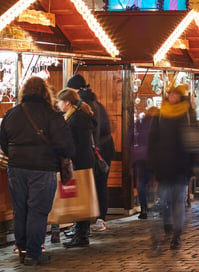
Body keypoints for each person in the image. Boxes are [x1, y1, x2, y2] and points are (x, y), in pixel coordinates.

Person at [0, 76, 75, 265]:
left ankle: (23, 250)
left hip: (16, 168)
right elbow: (65, 145)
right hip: (43, 169)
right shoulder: (52, 115)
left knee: (20, 210)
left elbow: (3, 141)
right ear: (45, 92)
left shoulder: (12, 113)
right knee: (38, 211)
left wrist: (15, 155)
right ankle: (34, 253)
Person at [147, 84, 198, 254]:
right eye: (170, 94)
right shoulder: (160, 114)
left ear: (182, 97)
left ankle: (177, 234)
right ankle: (168, 226)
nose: (172, 97)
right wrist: (152, 165)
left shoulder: (189, 115)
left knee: (177, 202)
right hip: (163, 166)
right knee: (164, 201)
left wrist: (192, 167)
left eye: (176, 94)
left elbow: (194, 143)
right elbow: (152, 142)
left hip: (181, 166)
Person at [67, 74, 114, 232]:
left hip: (95, 151)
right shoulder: (96, 104)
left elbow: (93, 132)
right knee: (99, 185)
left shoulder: (83, 107)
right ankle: (98, 219)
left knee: (87, 187)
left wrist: (93, 149)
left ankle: (83, 225)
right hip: (103, 150)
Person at [55, 88, 97, 248]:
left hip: (80, 163)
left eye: (59, 102)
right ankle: (81, 232)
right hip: (84, 161)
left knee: (81, 199)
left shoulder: (76, 119)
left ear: (67, 102)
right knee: (81, 198)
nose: (58, 105)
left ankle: (81, 235)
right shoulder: (79, 116)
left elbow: (74, 144)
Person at [132, 106, 157, 220]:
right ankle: (156, 204)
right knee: (157, 181)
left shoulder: (139, 122)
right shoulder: (159, 124)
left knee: (142, 183)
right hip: (155, 157)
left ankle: (144, 208)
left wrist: (133, 151)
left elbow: (130, 138)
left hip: (141, 157)